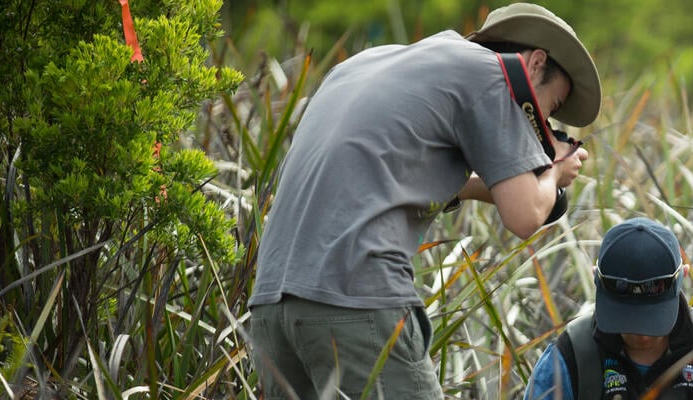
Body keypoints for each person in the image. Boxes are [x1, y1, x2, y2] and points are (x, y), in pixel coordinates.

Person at [245, 3, 599, 399]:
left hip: (272, 309)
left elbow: (403, 179)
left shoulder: (366, 66)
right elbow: (526, 215)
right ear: (534, 64)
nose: (541, 126)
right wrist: (554, 167)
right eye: (549, 108)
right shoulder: (494, 76)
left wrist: (520, 175)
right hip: (355, 301)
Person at [525, 218, 693, 400]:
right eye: (626, 320)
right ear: (595, 279)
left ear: (683, 278)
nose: (642, 335)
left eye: (654, 320)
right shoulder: (569, 357)